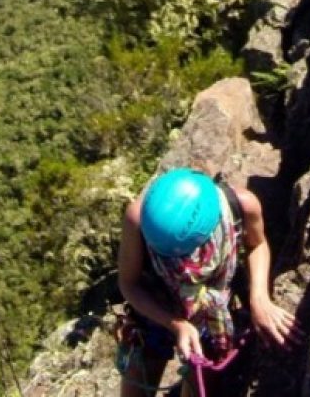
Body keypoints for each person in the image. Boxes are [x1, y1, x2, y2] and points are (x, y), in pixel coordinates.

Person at [117, 167, 300, 396]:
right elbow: (129, 283)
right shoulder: (138, 218)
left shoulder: (242, 205)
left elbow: (257, 244)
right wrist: (176, 324)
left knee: (199, 382)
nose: (182, 264)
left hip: (209, 309)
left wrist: (259, 298)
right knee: (137, 381)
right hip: (157, 301)